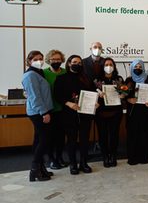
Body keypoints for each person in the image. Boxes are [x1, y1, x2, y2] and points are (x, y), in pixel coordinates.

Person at [54, 55, 96, 175]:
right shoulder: (61, 78)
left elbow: (93, 93)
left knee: (84, 140)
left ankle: (83, 163)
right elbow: (57, 95)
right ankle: (73, 164)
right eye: (74, 62)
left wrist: (95, 102)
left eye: (79, 62)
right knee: (71, 140)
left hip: (85, 114)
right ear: (68, 63)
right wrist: (68, 103)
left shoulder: (86, 78)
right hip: (69, 114)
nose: (77, 64)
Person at [22, 50, 54, 182]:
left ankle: (40, 167)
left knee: (39, 140)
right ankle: (35, 170)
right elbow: (35, 97)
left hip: (41, 110)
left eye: (41, 58)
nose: (39, 61)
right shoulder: (30, 75)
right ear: (29, 61)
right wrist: (44, 112)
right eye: (35, 59)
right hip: (38, 112)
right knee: (44, 140)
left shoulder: (38, 73)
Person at [125, 59, 148, 165]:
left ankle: (144, 157)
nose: (138, 69)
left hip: (145, 111)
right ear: (132, 67)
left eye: (140, 67)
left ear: (143, 68)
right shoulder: (129, 81)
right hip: (132, 112)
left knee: (145, 134)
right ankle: (132, 158)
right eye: (135, 67)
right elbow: (123, 96)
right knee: (133, 135)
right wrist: (128, 100)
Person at [95, 58, 124, 167]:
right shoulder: (96, 80)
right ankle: (105, 156)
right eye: (106, 64)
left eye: (110, 64)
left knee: (114, 135)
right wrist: (97, 95)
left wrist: (123, 95)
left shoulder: (119, 79)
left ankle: (113, 156)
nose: (108, 66)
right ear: (102, 66)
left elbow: (124, 91)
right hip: (101, 112)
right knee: (102, 135)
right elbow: (91, 93)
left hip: (115, 112)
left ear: (114, 66)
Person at [43, 49, 67, 170]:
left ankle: (59, 157)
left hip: (63, 110)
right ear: (49, 60)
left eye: (58, 59)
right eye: (53, 59)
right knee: (50, 137)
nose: (56, 61)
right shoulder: (43, 73)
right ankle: (52, 159)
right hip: (50, 110)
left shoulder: (66, 72)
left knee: (61, 137)